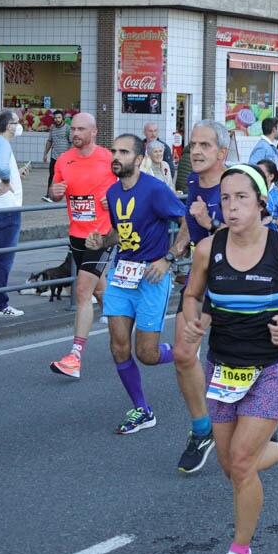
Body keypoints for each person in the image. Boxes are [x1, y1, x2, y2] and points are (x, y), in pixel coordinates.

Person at [180, 164, 278, 554]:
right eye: (225, 199)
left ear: (262, 203)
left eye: (241, 197)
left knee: (242, 461)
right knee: (231, 466)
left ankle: (240, 551)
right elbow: (194, 295)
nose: (232, 206)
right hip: (223, 368)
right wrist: (194, 320)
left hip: (272, 368)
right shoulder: (210, 249)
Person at [83, 134, 186, 433]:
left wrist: (167, 259)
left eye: (124, 152)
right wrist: (101, 240)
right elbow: (120, 232)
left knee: (147, 355)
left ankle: (184, 352)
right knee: (118, 348)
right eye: (114, 151)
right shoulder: (114, 193)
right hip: (121, 275)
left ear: (138, 159)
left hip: (152, 276)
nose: (116, 156)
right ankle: (142, 409)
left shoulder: (155, 190)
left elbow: (186, 224)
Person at [170, 119, 230, 473]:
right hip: (201, 277)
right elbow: (187, 223)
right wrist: (176, 247)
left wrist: (210, 223)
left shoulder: (233, 185)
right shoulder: (192, 180)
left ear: (222, 152)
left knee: (239, 356)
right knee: (182, 353)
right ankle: (202, 430)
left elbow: (247, 232)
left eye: (205, 145)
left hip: (238, 279)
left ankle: (266, 412)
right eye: (193, 144)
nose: (196, 151)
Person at [49, 113, 118, 378]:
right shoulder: (64, 160)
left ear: (93, 132)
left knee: (82, 291)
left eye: (80, 129)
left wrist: (112, 200)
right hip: (77, 234)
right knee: (100, 292)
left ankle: (74, 357)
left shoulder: (108, 158)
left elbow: (127, 187)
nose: (74, 133)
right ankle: (123, 336)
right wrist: (55, 193)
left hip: (101, 235)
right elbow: (56, 191)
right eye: (73, 128)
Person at [0, 110, 29, 316]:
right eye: (17, 122)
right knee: (4, 259)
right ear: (9, 126)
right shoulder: (2, 143)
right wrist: (7, 181)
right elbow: (3, 169)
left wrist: (16, 176)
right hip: (6, 210)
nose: (19, 126)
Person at [42, 109, 70, 202]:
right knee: (52, 176)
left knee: (66, 177)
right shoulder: (53, 128)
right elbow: (50, 141)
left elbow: (72, 143)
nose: (57, 119)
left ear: (63, 118)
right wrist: (45, 153)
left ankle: (68, 195)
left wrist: (70, 157)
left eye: (59, 117)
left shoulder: (68, 129)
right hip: (54, 157)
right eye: (55, 118)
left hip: (65, 158)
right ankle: (49, 195)